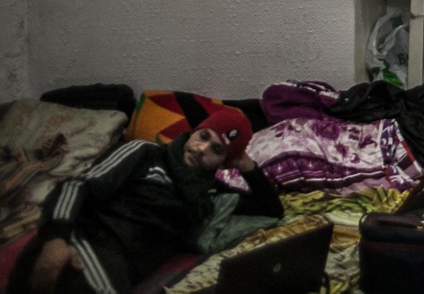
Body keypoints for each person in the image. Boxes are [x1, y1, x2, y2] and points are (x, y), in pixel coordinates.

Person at [9, 106, 282, 294]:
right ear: (194, 131)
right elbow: (79, 184)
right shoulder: (147, 154)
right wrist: (57, 237)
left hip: (121, 268)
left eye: (216, 150)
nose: (201, 149)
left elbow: (272, 210)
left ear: (224, 161)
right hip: (82, 241)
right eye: (203, 136)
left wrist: (247, 167)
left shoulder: (210, 194)